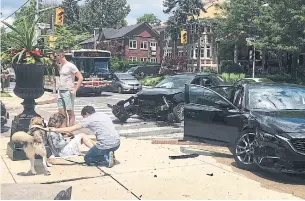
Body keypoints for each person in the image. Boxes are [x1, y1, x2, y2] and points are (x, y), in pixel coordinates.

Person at [50, 106, 120, 168]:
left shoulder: (88, 119)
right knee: (100, 144)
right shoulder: (104, 115)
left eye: (83, 116)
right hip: (117, 143)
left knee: (87, 158)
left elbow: (70, 129)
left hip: (105, 145)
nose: (83, 119)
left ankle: (105, 156)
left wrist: (54, 129)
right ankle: (108, 153)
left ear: (86, 113)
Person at [55, 50, 83, 126]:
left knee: (70, 111)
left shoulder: (70, 65)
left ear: (61, 56)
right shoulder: (61, 66)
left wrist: (74, 90)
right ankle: (64, 130)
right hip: (60, 91)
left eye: (56, 56)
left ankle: (70, 131)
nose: (55, 58)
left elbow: (80, 77)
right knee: (61, 112)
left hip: (68, 91)